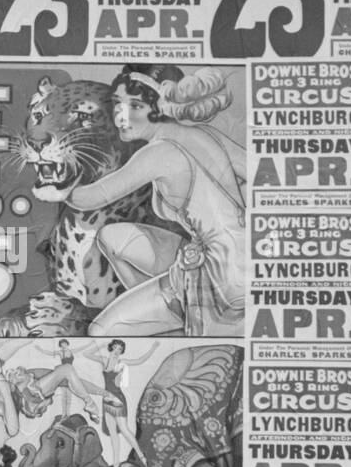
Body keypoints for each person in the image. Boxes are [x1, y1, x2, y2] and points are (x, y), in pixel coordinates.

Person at [64, 65, 246, 337]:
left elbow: (89, 198)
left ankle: (166, 322)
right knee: (111, 237)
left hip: (219, 280)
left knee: (101, 331)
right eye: (117, 104)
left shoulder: (158, 152)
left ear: (163, 107)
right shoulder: (206, 134)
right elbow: (263, 174)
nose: (120, 116)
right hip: (248, 261)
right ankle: (165, 321)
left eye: (135, 105)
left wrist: (57, 182)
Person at [80, 339, 157, 466]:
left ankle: (142, 456)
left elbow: (140, 360)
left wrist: (153, 347)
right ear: (111, 348)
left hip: (118, 399)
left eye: (120, 349)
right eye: (115, 348)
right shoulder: (104, 361)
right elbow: (86, 354)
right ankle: (116, 463)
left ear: (122, 352)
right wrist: (101, 345)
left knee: (124, 429)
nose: (117, 351)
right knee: (113, 433)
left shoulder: (122, 362)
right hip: (106, 399)